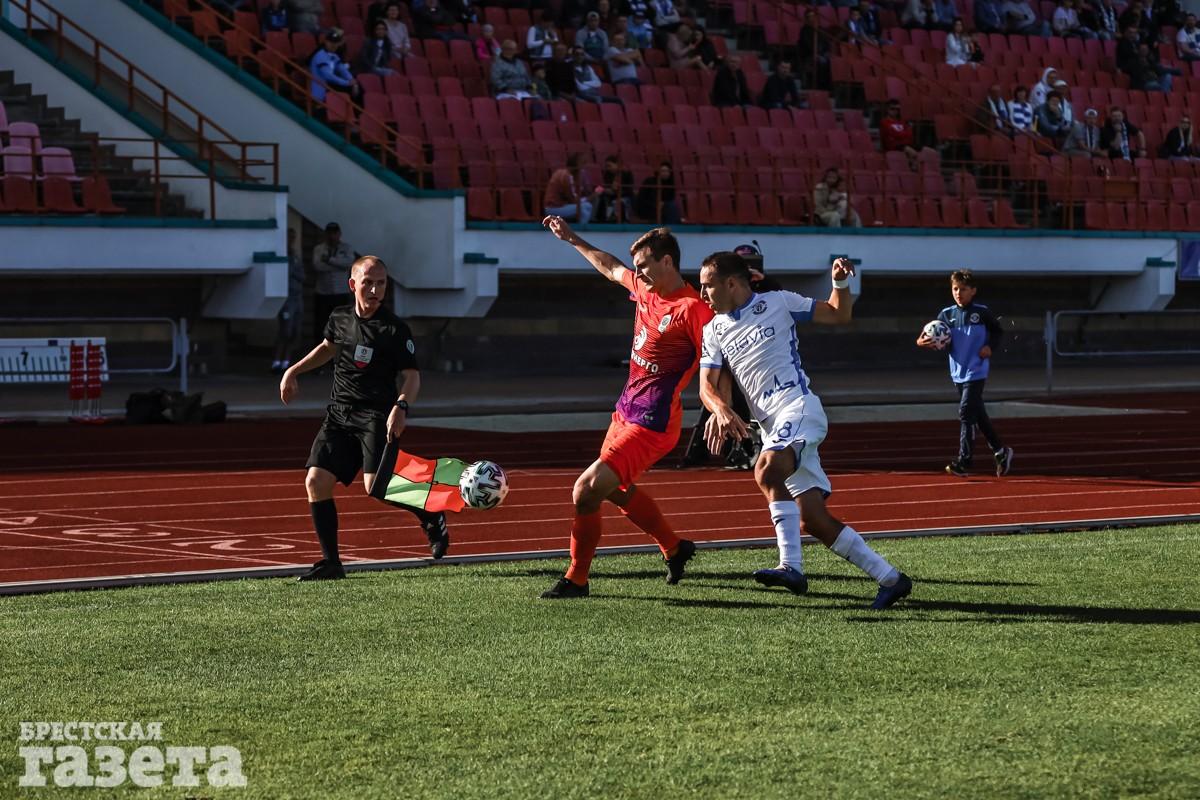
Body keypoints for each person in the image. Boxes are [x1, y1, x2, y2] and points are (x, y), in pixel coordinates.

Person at [697, 252, 912, 609]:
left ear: (731, 283)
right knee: (813, 519)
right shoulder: (713, 330)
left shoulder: (779, 302)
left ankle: (791, 567)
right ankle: (891, 579)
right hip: (773, 428)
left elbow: (838, 313)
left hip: (797, 408)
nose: (703, 294)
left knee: (766, 470)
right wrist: (719, 408)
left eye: (707, 286)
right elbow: (706, 385)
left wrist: (839, 283)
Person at [539, 219, 714, 598]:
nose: (638, 273)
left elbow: (721, 359)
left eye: (644, 265)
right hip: (625, 412)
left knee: (585, 490)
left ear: (667, 262)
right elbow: (610, 267)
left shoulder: (693, 310)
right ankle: (675, 548)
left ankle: (576, 579)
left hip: (653, 422)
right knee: (615, 490)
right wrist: (572, 239)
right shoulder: (645, 289)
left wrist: (719, 407)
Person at [280, 255, 449, 581]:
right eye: (368, 283)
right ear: (352, 284)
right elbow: (328, 347)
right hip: (339, 413)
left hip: (376, 416)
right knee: (315, 482)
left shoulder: (394, 329)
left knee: (376, 487)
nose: (375, 290)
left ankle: (430, 513)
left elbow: (412, 377)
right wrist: (293, 371)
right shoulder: (339, 318)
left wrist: (401, 407)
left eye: (381, 283)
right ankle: (332, 563)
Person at [915, 269, 1013, 479]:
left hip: (976, 370)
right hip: (957, 372)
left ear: (973, 290)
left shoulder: (982, 313)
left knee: (966, 413)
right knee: (978, 416)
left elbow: (997, 331)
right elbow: (929, 334)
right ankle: (1000, 450)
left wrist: (989, 347)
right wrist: (922, 342)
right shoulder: (946, 314)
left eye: (963, 289)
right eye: (955, 289)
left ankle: (964, 462)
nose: (958, 293)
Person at [311, 222, 356, 344]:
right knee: (321, 323)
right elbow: (317, 266)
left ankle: (340, 348)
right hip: (323, 293)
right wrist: (338, 265)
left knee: (342, 322)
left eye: (334, 233)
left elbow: (348, 264)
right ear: (326, 234)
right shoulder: (319, 249)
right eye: (329, 233)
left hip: (341, 292)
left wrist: (329, 260)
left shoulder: (347, 248)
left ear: (339, 234)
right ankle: (320, 348)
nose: (332, 236)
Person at [272, 228, 304, 373]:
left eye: (293, 237)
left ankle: (286, 360)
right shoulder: (281, 255)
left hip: (297, 297)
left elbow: (302, 276)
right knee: (285, 330)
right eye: (289, 237)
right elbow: (284, 274)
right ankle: (276, 361)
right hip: (286, 297)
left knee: (295, 331)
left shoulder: (295, 256)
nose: (291, 240)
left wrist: (294, 272)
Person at [309, 29, 361, 102]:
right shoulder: (320, 56)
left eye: (335, 42)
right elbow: (328, 76)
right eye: (331, 42)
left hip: (329, 86)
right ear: (326, 42)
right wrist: (347, 83)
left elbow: (342, 69)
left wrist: (352, 81)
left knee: (358, 87)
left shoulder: (334, 56)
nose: (333, 45)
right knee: (348, 89)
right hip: (320, 89)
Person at [544, 153, 599, 222]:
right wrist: (591, 197)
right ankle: (582, 227)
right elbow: (573, 200)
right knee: (586, 207)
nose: (583, 168)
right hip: (553, 208)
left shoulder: (563, 173)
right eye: (582, 164)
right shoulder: (566, 176)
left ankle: (582, 226)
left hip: (561, 205)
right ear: (575, 165)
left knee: (586, 207)